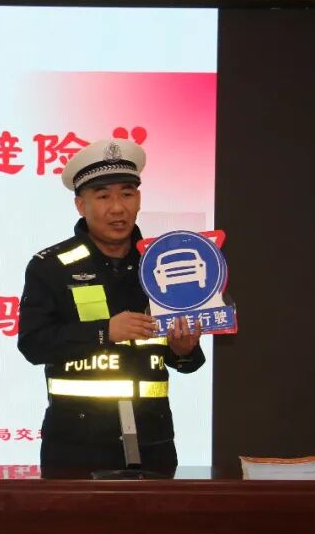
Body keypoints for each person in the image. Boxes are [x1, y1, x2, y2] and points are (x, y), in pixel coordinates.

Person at [17, 138, 205, 474]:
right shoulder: (53, 266)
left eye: (127, 194)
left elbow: (185, 361)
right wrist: (105, 332)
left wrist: (183, 350)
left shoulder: (161, 261)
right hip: (76, 443)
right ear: (81, 204)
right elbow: (33, 344)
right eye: (103, 196)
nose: (118, 208)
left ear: (139, 200)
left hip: (153, 440)